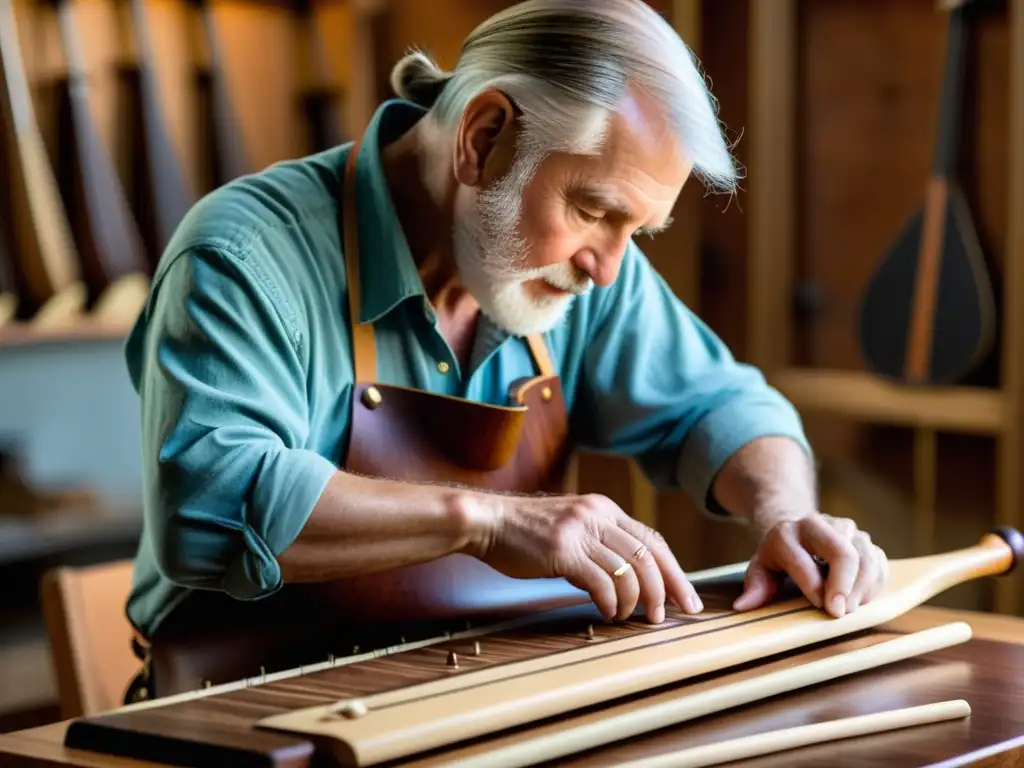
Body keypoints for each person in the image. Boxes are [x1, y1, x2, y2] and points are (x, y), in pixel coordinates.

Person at [121, 0, 889, 699]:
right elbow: (211, 503)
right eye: (592, 209)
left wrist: (784, 515)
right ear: (483, 138)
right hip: (249, 709)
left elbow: (725, 405)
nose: (608, 267)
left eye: (637, 232)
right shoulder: (246, 256)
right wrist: (488, 521)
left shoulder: (583, 273)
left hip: (491, 694)